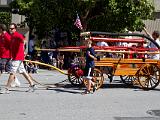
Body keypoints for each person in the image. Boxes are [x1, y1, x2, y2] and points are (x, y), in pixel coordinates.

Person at [0, 23, 36, 94]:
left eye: (12, 28)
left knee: (12, 72)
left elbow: (24, 40)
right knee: (23, 71)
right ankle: (32, 84)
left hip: (18, 57)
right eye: (10, 28)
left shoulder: (17, 35)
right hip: (16, 57)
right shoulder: (12, 36)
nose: (10, 30)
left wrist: (24, 50)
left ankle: (7, 88)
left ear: (15, 29)